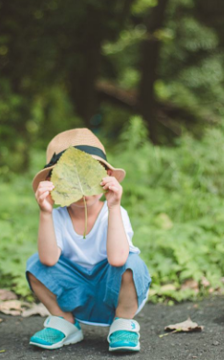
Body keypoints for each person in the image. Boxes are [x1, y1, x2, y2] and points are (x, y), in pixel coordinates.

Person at [26, 128, 151, 352]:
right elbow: (48, 259)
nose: (82, 186)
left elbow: (118, 259)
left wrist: (113, 207)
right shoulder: (58, 216)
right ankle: (65, 321)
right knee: (35, 265)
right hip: (75, 290)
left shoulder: (115, 212)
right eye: (70, 177)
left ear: (107, 178)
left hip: (110, 287)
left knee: (133, 264)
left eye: (90, 174)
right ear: (53, 183)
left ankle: (122, 323)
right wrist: (45, 213)